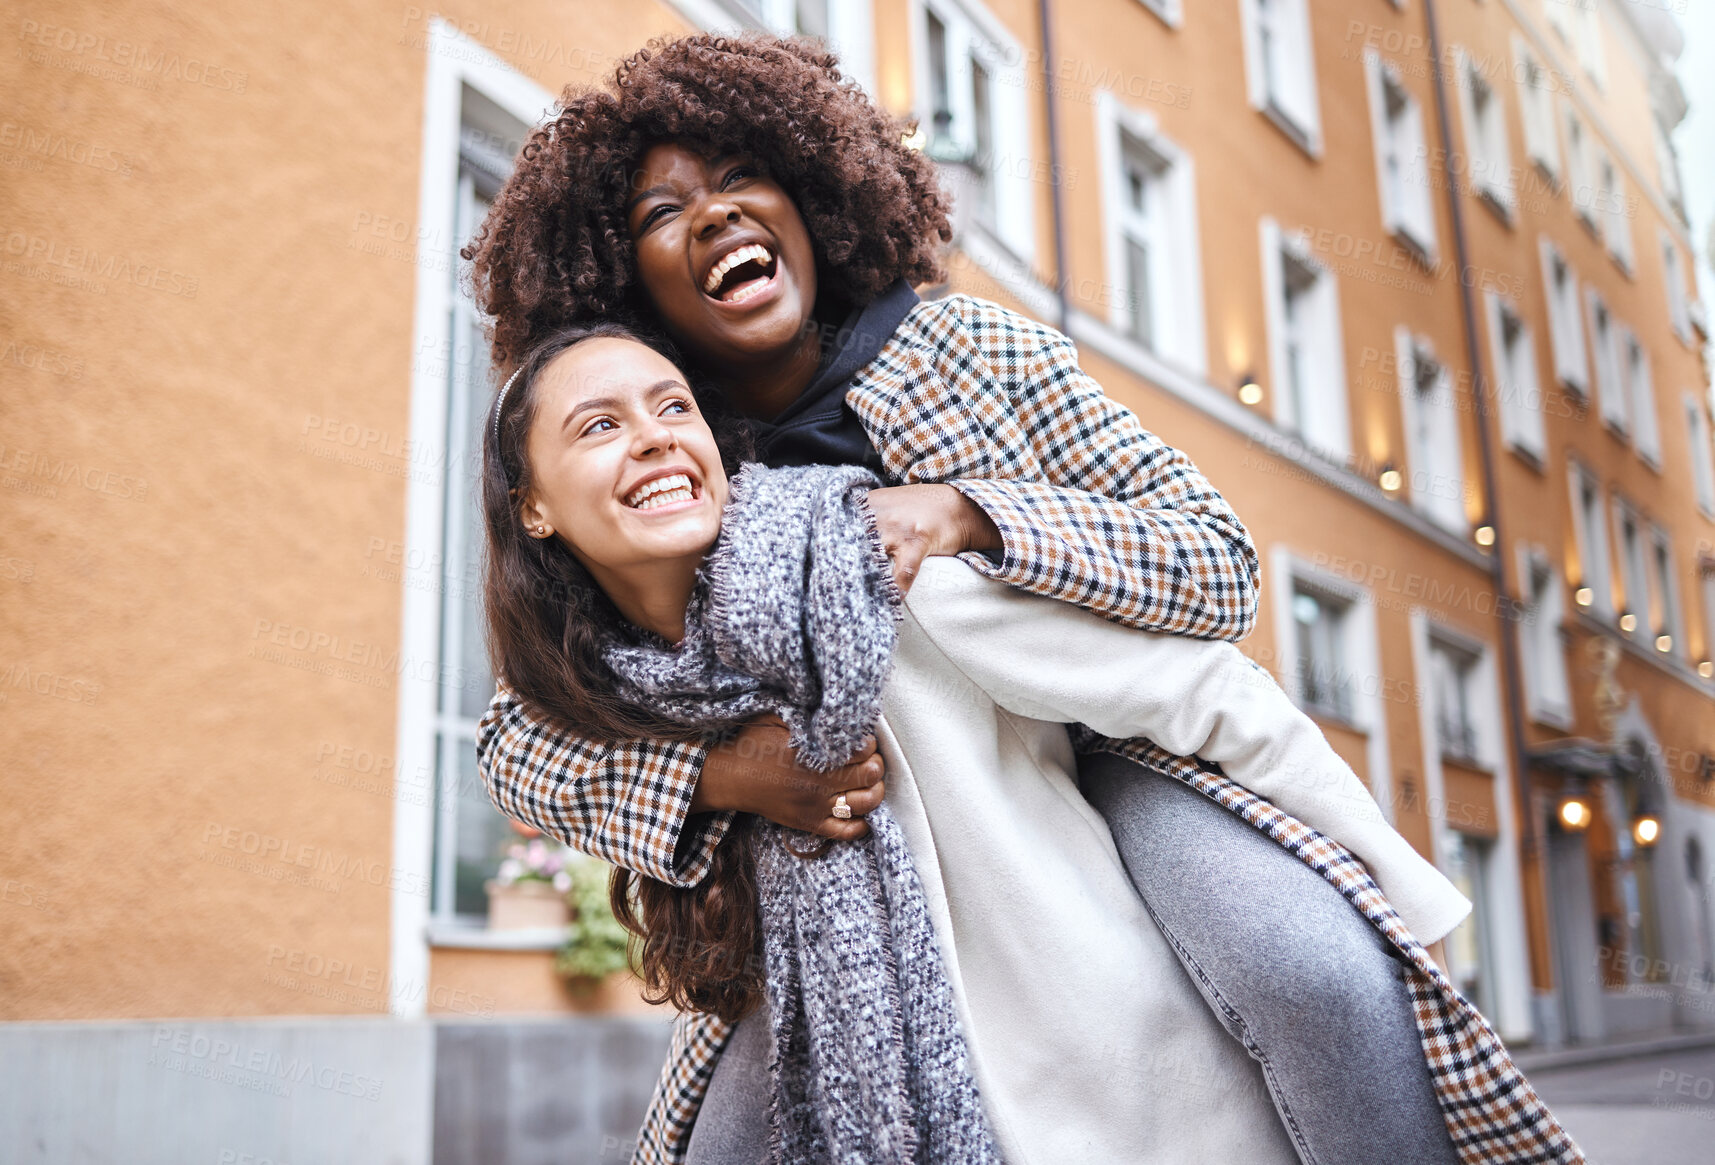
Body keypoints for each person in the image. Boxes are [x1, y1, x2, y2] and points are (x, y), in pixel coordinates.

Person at [464, 33, 1583, 1165]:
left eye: (741, 176)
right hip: (834, 851)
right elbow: (523, 735)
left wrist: (968, 513)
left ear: (808, 199)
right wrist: (723, 773)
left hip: (1107, 756)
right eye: (664, 211)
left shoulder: (969, 347)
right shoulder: (673, 462)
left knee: (1315, 976)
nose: (713, 215)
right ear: (624, 276)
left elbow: (1216, 563)